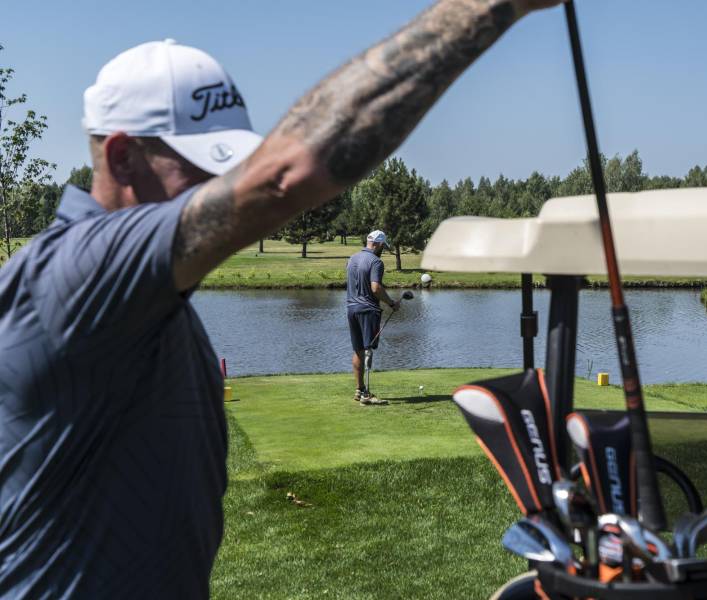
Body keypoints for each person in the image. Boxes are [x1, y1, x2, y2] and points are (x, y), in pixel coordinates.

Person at [0, 0, 565, 597]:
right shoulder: (80, 273)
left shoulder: (139, 298)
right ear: (120, 156)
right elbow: (283, 177)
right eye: (200, 167)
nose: (218, 191)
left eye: (228, 166)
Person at [346, 230, 399, 405]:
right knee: (368, 349)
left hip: (351, 308)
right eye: (383, 246)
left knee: (358, 350)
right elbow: (375, 288)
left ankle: (359, 389)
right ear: (378, 244)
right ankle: (366, 395)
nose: (383, 249)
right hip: (368, 309)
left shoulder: (352, 258)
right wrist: (391, 303)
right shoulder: (376, 261)